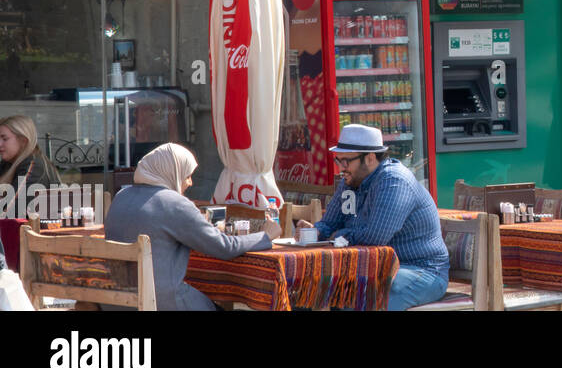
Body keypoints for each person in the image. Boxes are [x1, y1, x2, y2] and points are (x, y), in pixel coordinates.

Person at [105, 143, 278, 310]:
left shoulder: (120, 197)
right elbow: (225, 247)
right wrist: (265, 235)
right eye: (187, 175)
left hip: (117, 302)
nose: (190, 183)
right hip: (163, 301)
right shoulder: (175, 204)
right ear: (172, 172)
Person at [296, 123, 449, 311]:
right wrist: (316, 230)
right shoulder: (350, 180)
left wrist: (335, 236)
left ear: (369, 158)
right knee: (312, 291)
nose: (341, 168)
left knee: (365, 295)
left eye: (346, 161)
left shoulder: (393, 181)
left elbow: (374, 238)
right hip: (376, 268)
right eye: (339, 160)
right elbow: (330, 222)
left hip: (422, 270)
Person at [0, 114, 61, 188]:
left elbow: (15, 199)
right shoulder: (7, 163)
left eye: (5, 139)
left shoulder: (33, 167)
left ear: (23, 141)